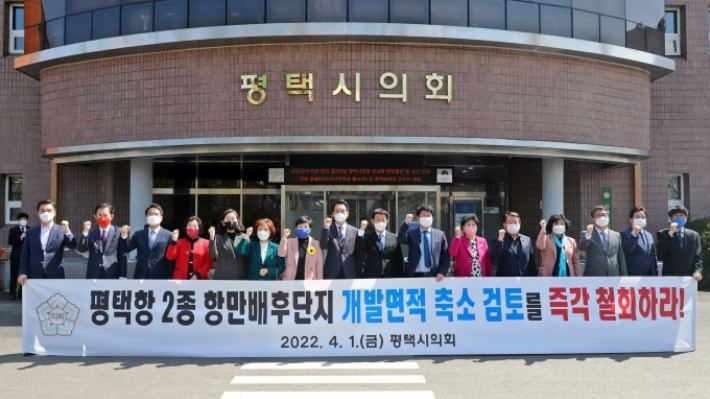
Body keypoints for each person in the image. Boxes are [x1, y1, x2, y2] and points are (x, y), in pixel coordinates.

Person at [17, 200, 77, 286]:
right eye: (43, 211)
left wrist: (67, 230)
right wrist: (23, 273)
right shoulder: (31, 232)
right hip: (35, 274)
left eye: (49, 211)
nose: (46, 213)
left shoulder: (61, 230)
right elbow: (25, 255)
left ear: (54, 213)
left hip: (56, 273)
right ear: (38, 213)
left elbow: (72, 245)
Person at [120, 203, 174, 279]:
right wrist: (124, 236)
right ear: (146, 217)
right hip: (141, 275)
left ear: (161, 218)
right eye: (150, 214)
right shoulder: (138, 234)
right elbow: (126, 248)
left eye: (156, 214)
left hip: (160, 275)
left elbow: (171, 258)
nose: (153, 216)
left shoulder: (169, 235)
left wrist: (170, 277)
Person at [397, 205, 450, 281]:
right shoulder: (411, 234)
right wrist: (406, 223)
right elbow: (400, 239)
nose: (426, 218)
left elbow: (446, 256)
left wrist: (442, 272)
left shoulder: (440, 235)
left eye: (428, 215)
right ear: (418, 218)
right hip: (414, 276)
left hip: (434, 277)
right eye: (423, 215)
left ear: (432, 218)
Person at [77, 203, 126, 279]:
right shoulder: (91, 233)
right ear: (95, 217)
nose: (102, 218)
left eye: (105, 215)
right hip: (94, 273)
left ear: (112, 216)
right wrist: (85, 232)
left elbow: (123, 255)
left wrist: (122, 275)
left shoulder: (119, 232)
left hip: (112, 272)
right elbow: (81, 249)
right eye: (100, 215)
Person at [657, 205, 703, 280]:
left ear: (686, 218)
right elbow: (661, 249)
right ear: (671, 219)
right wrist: (671, 233)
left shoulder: (694, 235)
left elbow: (697, 256)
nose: (679, 218)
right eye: (676, 216)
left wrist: (697, 271)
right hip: (670, 277)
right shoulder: (663, 234)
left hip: (689, 277)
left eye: (682, 216)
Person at [579, 205, 627, 276]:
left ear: (608, 218)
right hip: (594, 274)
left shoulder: (616, 235)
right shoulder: (587, 234)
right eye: (599, 215)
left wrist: (624, 276)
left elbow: (620, 258)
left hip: (613, 274)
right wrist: (588, 235)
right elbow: (581, 247)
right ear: (593, 219)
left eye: (604, 215)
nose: (602, 217)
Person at [356, 209, 404, 278]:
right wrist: (361, 230)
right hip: (371, 276)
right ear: (372, 221)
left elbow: (399, 260)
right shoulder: (367, 237)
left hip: (390, 276)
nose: (380, 222)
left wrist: (400, 276)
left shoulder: (395, 238)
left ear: (387, 221)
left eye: (383, 220)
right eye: (378, 219)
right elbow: (358, 247)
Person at [320, 199, 360, 279]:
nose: (340, 213)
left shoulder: (355, 231)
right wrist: (326, 228)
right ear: (333, 214)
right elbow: (323, 246)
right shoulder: (328, 229)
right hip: (332, 270)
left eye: (342, 211)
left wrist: (358, 272)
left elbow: (358, 254)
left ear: (347, 214)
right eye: (337, 211)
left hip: (349, 270)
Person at [491, 212, 537, 277]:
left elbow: (531, 262)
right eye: (510, 222)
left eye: (515, 222)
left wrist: (534, 277)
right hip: (506, 280)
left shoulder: (527, 240)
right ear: (504, 225)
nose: (513, 224)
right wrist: (500, 239)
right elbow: (496, 255)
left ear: (520, 224)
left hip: (524, 279)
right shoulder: (498, 239)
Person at [279, 215, 324, 280]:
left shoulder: (316, 244)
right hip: (291, 279)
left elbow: (319, 265)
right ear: (296, 229)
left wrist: (319, 282)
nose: (303, 229)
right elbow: (281, 254)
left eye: (306, 227)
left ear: (310, 229)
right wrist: (284, 238)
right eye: (300, 227)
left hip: (309, 280)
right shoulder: (289, 242)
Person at [208, 209, 249, 280]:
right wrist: (212, 237)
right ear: (223, 222)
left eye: (233, 218)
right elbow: (213, 255)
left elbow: (247, 258)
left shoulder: (244, 237)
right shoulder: (218, 237)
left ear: (237, 221)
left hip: (240, 276)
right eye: (227, 219)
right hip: (222, 276)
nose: (231, 221)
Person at [620, 206, 658, 276]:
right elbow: (627, 250)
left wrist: (655, 272)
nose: (640, 219)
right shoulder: (624, 233)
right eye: (637, 217)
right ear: (631, 220)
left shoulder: (648, 235)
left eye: (643, 217)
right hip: (633, 274)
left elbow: (653, 256)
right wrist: (633, 233)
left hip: (650, 274)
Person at [7, 212, 29, 299]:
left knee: (24, 275)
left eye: (25, 219)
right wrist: (20, 238)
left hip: (27, 257)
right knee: (14, 275)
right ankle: (12, 293)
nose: (23, 221)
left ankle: (21, 293)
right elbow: (10, 241)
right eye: (21, 219)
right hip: (16, 256)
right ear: (18, 220)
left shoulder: (30, 230)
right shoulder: (13, 230)